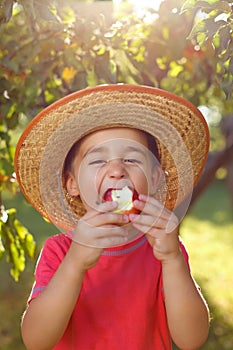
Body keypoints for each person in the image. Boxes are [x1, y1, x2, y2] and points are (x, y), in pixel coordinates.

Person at [15, 84, 210, 350]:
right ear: (72, 184)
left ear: (154, 179)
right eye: (97, 161)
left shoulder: (164, 250)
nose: (116, 170)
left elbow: (192, 340)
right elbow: (36, 341)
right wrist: (75, 263)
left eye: (131, 159)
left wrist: (173, 259)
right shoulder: (60, 251)